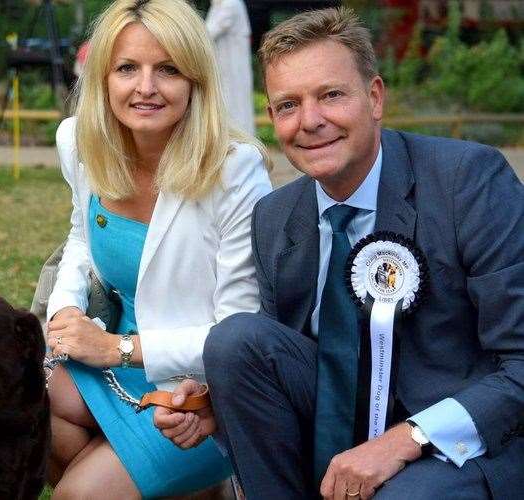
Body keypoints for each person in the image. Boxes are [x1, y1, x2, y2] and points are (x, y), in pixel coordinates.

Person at [155, 7, 524, 499]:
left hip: (458, 440)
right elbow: (274, 359)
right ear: (272, 118)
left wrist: (404, 439)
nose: (310, 121)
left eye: (331, 95)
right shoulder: (275, 217)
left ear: (374, 97)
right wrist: (216, 402)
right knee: (235, 340)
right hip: (339, 425)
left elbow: (520, 361)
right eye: (288, 105)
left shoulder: (468, 181)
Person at [44, 0, 273, 498]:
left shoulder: (236, 172)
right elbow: (81, 237)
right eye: (127, 68)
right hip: (112, 365)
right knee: (28, 418)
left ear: (196, 81)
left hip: (199, 391)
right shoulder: (78, 142)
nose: (145, 88)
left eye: (167, 69)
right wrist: (66, 315)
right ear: (103, 77)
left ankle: (193, 480)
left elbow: (238, 331)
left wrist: (115, 348)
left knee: (76, 495)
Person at [205, 0, 255, 135]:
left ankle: (241, 137)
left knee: (235, 104)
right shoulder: (218, 6)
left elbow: (208, 32)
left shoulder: (230, 4)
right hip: (223, 67)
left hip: (233, 67)